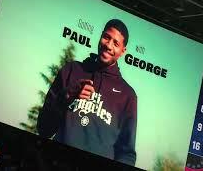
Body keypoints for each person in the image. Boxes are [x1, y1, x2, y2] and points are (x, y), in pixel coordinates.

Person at [37, 19, 137, 166]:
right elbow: (43, 129)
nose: (108, 45)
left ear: (123, 51)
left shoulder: (127, 95)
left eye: (116, 43)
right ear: (100, 36)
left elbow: (127, 153)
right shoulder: (71, 70)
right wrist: (66, 97)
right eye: (106, 37)